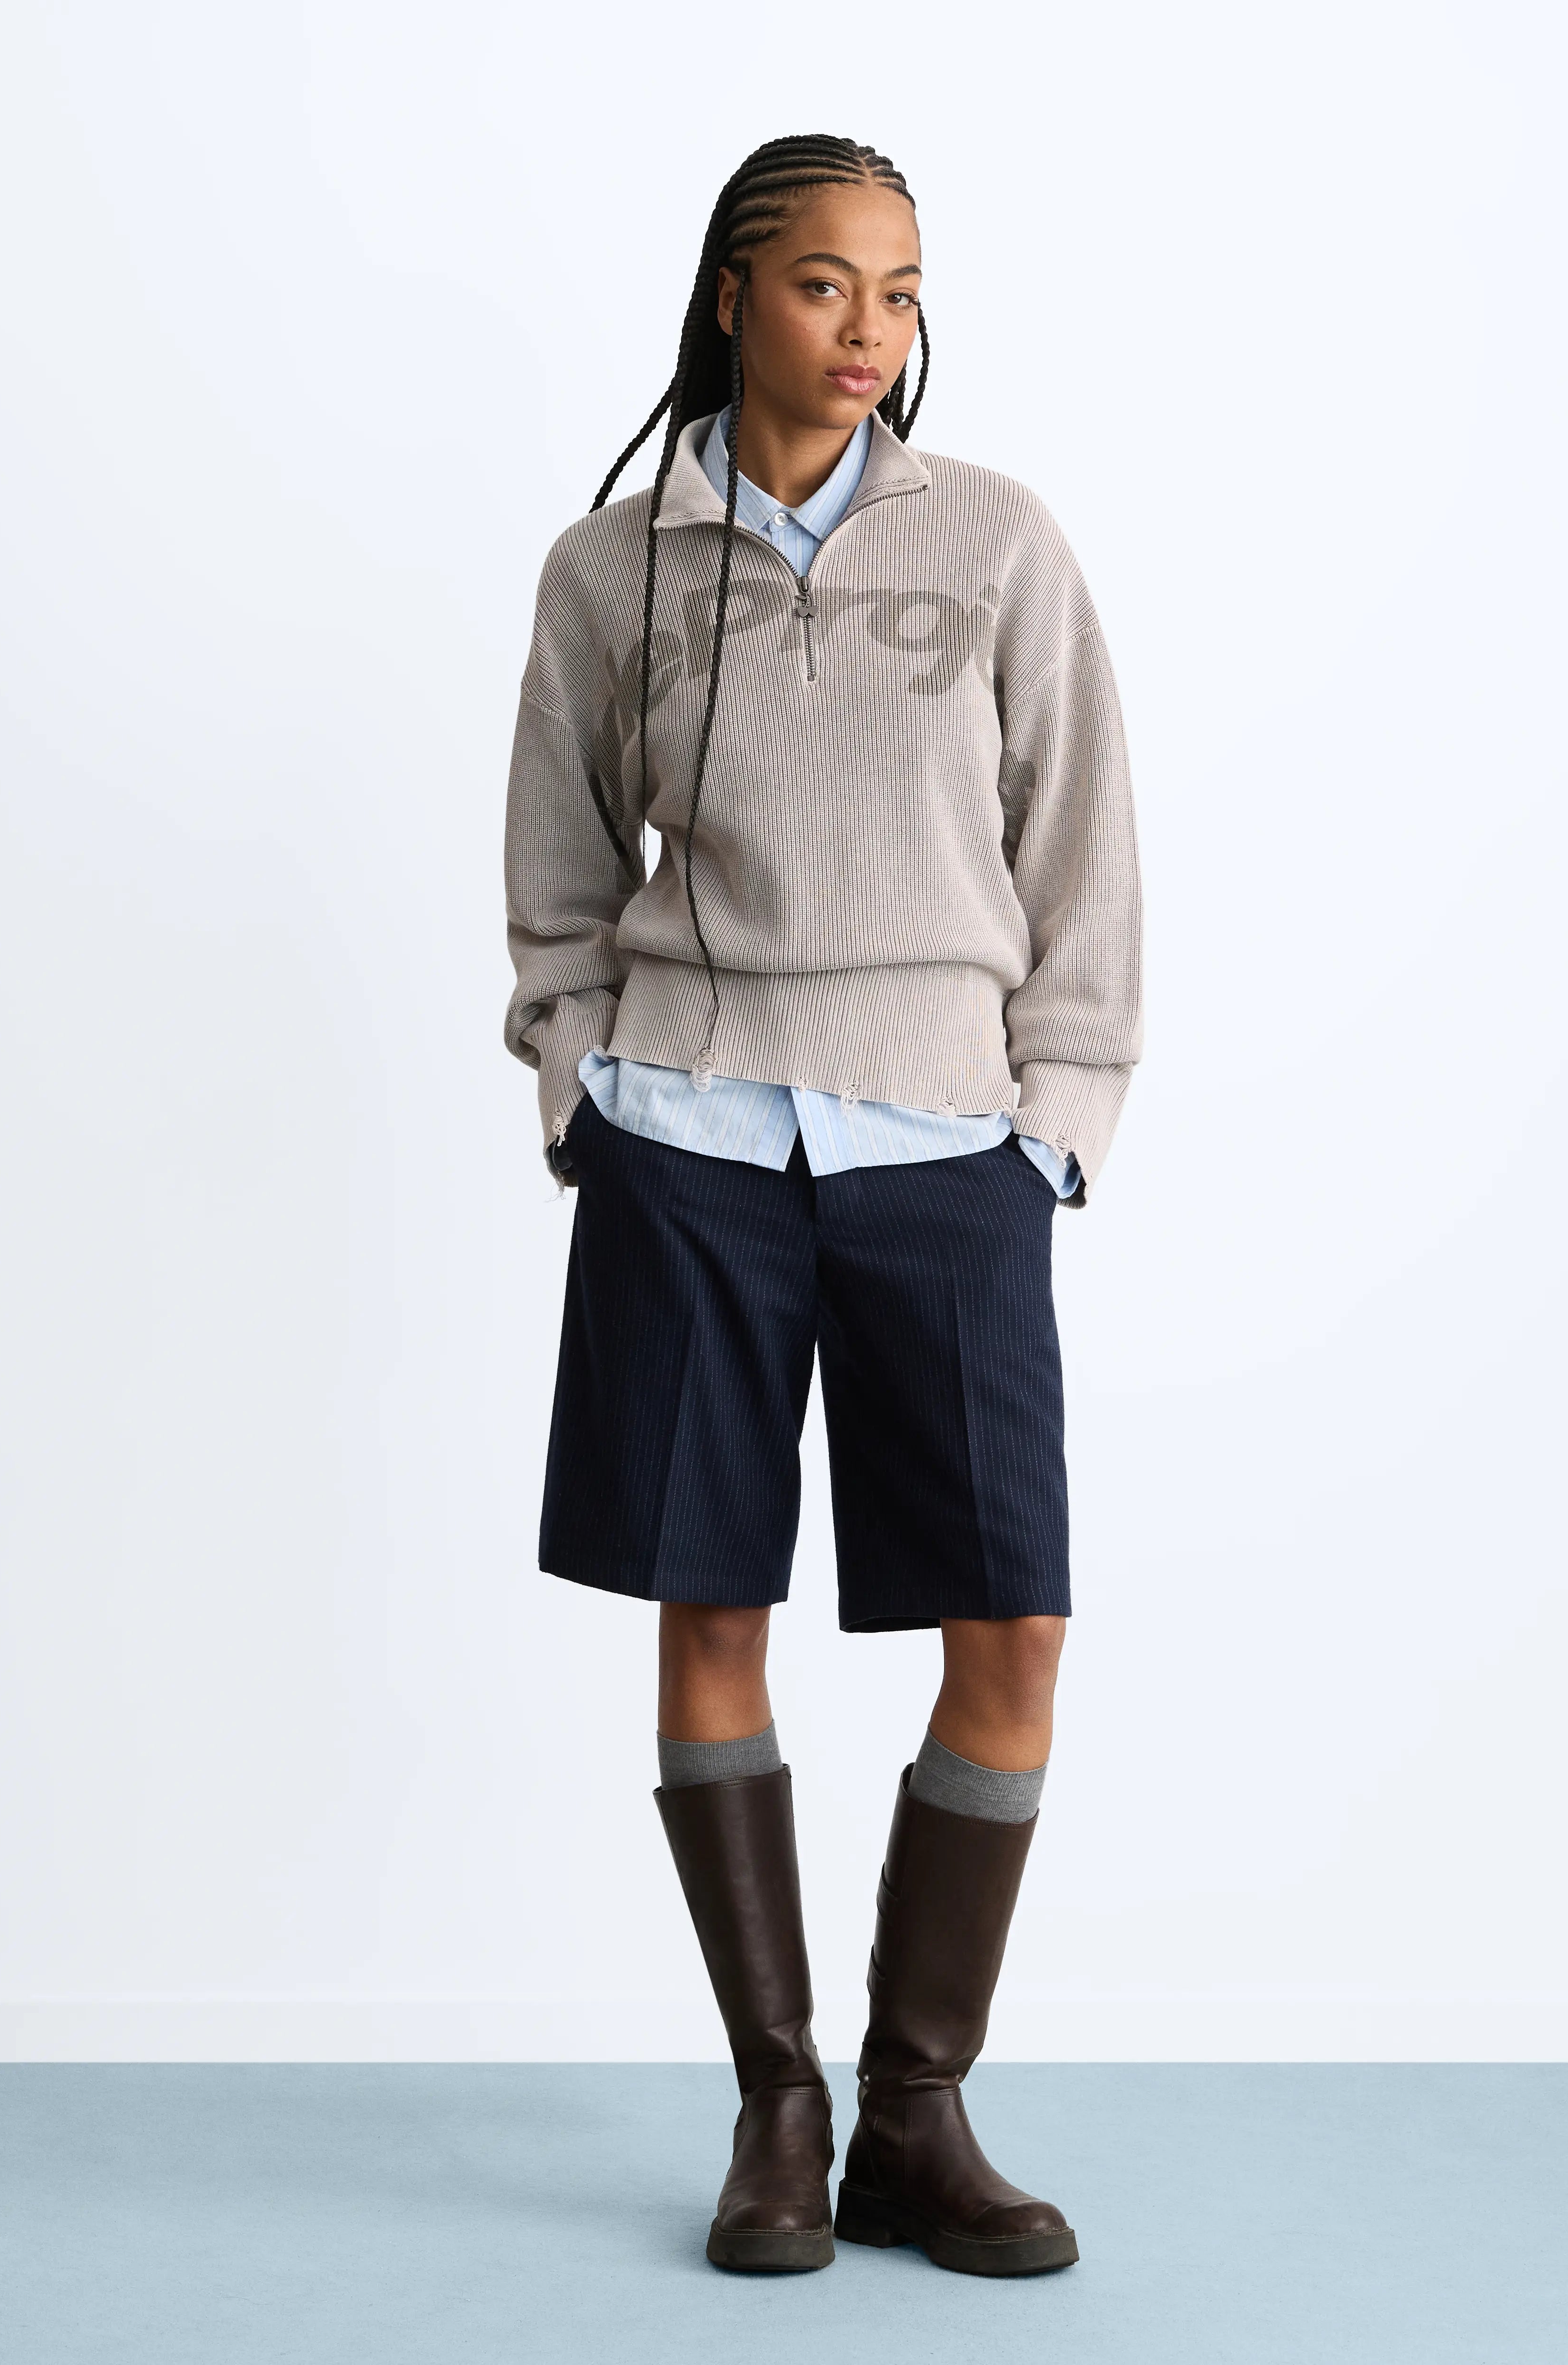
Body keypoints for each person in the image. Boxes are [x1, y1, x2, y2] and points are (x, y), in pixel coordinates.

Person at [503, 133, 1141, 2278]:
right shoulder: (609, 569)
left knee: (1012, 1625)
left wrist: (1059, 1116)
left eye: (902, 291)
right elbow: (559, 865)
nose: (869, 331)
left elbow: (1082, 844)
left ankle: (915, 2110)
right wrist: (579, 1072)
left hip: (943, 1148)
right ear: (731, 295)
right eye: (823, 285)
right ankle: (777, 2103)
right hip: (689, 1143)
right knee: (710, 1608)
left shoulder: (997, 540)